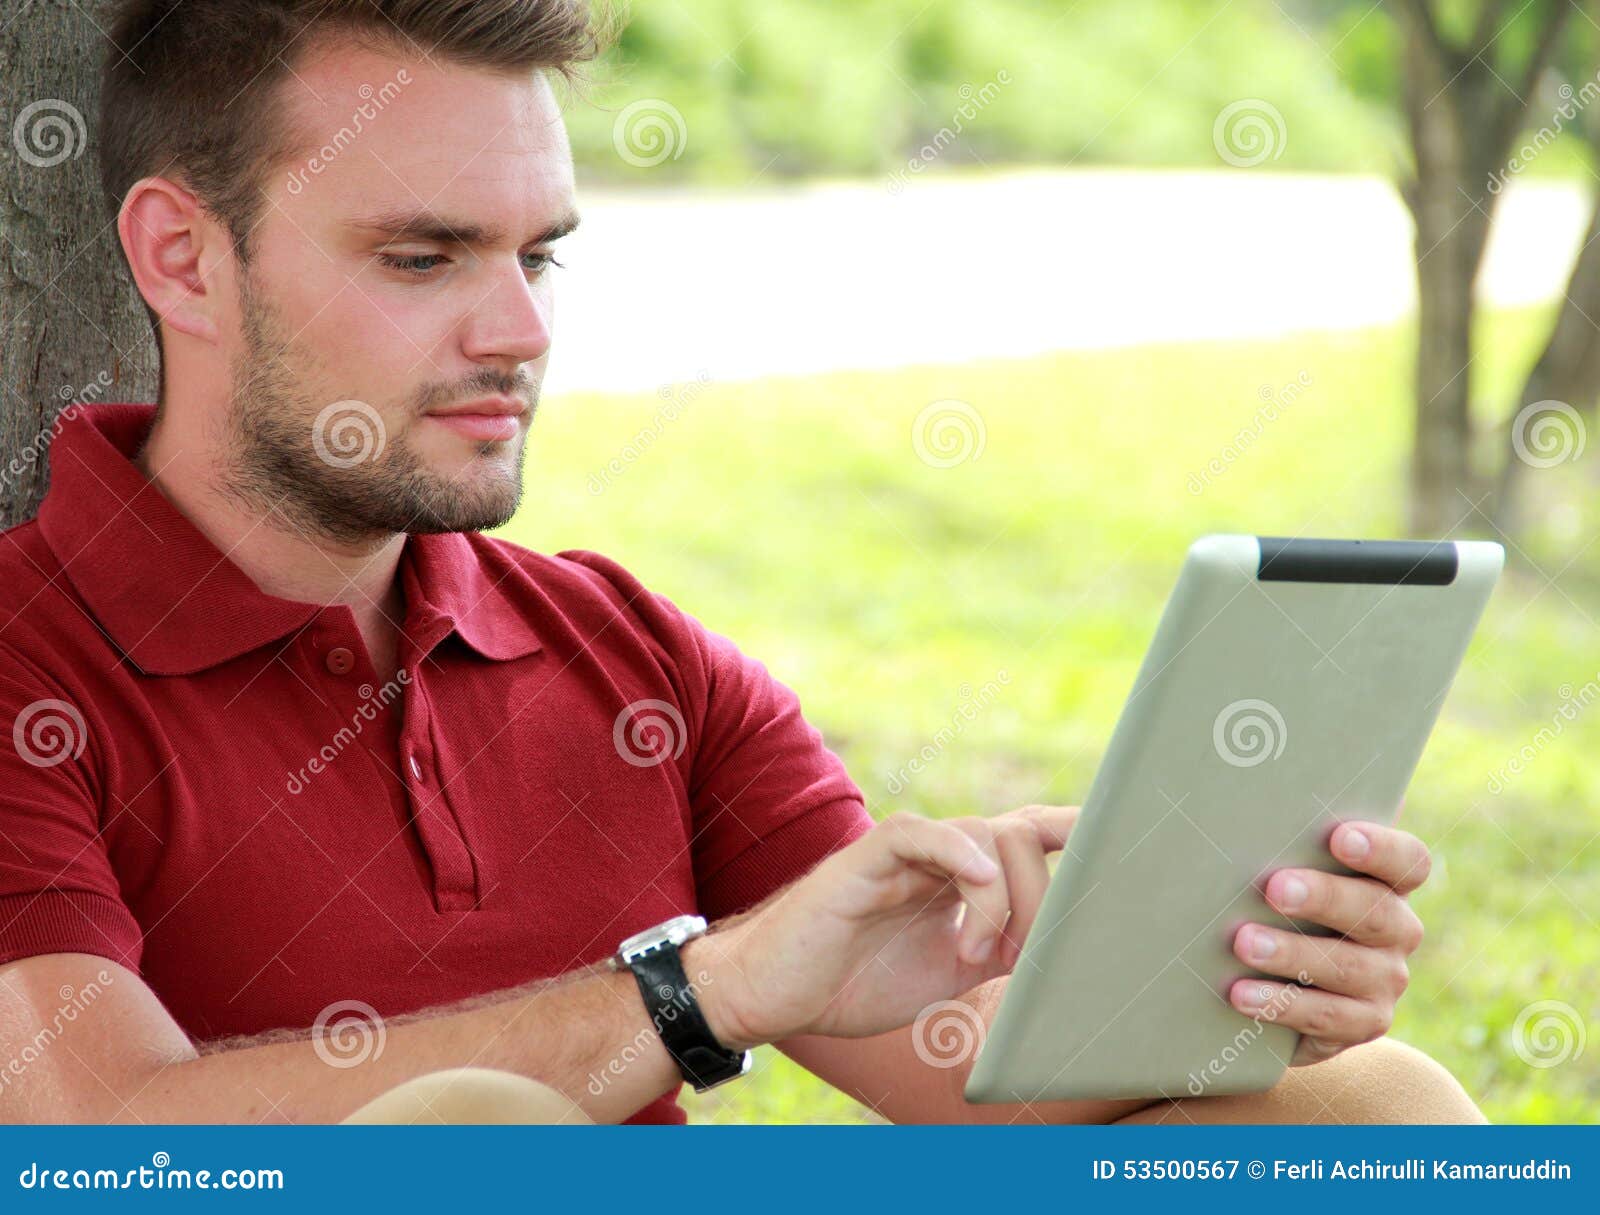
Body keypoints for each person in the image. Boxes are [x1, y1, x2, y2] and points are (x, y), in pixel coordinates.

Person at [0, 0, 1482, 1125]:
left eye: (541, 255)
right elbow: (94, 1135)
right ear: (184, 259)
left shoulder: (625, 655)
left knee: (1376, 1114)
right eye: (424, 257)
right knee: (473, 1133)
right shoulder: (27, 660)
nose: (518, 331)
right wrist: (694, 993)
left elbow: (955, 1075)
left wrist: (1225, 987)